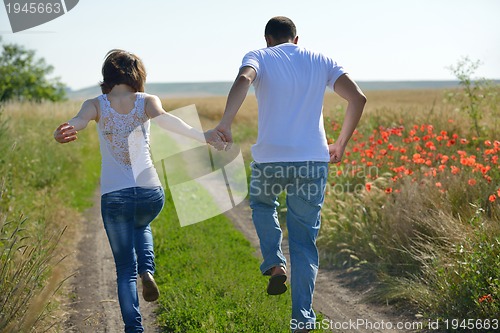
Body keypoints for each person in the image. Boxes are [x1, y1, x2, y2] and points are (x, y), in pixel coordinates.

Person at [212, 17, 366, 332]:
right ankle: (303, 321)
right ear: (296, 39)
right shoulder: (321, 59)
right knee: (304, 242)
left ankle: (273, 262)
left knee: (263, 205)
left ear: (268, 39)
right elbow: (358, 98)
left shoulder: (259, 56)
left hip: (271, 160)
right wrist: (340, 143)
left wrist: (225, 122)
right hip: (313, 160)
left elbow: (244, 79)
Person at [53, 49, 223, 333]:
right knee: (141, 224)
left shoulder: (95, 104)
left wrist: (66, 130)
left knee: (123, 272)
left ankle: (134, 328)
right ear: (138, 75)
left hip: (115, 196)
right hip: (149, 191)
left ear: (107, 76)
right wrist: (202, 135)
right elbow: (168, 120)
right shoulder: (147, 101)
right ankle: (148, 269)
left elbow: (78, 122)